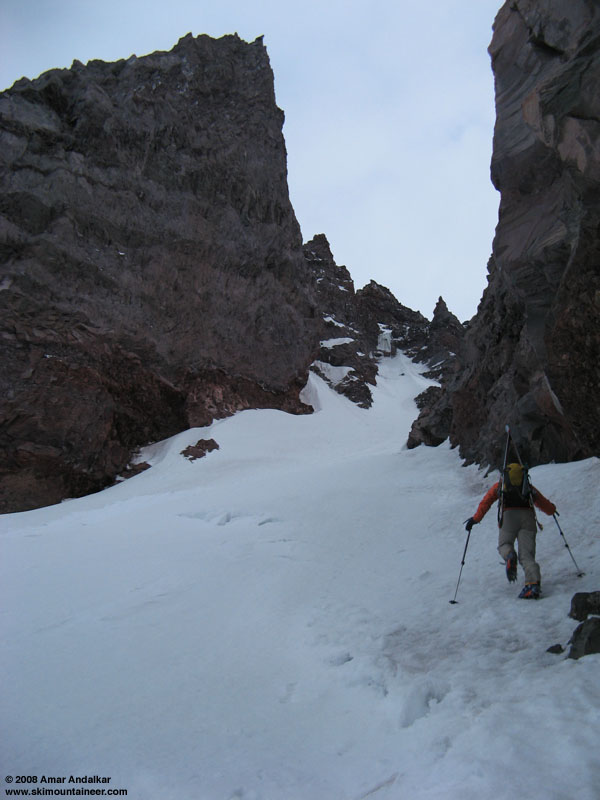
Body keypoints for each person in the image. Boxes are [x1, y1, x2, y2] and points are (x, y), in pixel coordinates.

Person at [465, 462, 557, 599]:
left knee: (504, 544)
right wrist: (552, 510)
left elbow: (486, 501)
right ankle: (533, 584)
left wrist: (475, 519)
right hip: (528, 518)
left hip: (508, 518)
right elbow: (544, 504)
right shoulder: (527, 486)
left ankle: (509, 556)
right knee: (527, 555)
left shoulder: (501, 486)